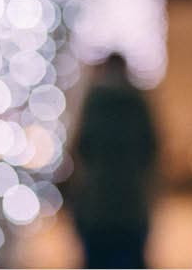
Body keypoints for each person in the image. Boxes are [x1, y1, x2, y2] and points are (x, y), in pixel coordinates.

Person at [65, 53, 158, 268]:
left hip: (97, 205)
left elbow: (80, 147)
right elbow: (151, 148)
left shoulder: (93, 102)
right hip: (131, 204)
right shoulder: (137, 101)